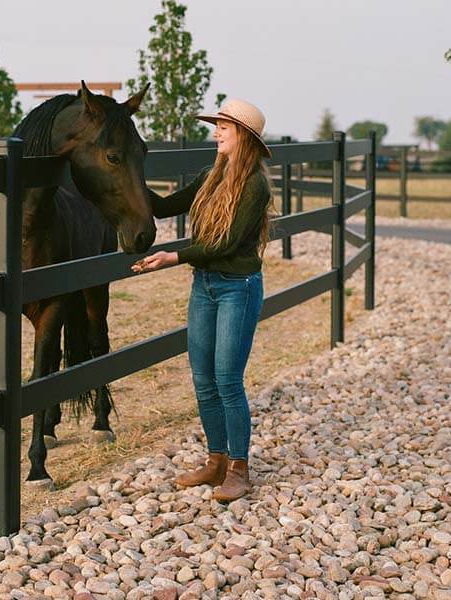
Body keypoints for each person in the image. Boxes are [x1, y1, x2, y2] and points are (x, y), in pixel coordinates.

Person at [131, 99, 274, 502]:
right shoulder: (211, 177)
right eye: (217, 126)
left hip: (237, 288)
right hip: (205, 286)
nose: (216, 132)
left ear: (242, 135)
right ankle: (215, 462)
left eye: (223, 127)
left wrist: (172, 257)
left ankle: (239, 469)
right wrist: (124, 173)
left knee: (228, 380)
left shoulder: (254, 186)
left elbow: (224, 244)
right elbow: (165, 206)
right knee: (202, 379)